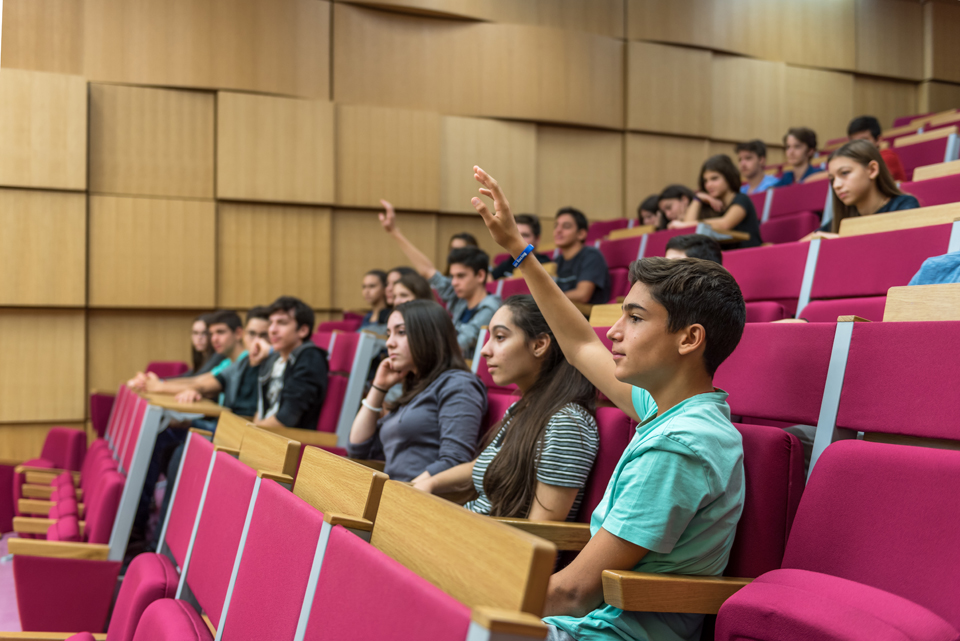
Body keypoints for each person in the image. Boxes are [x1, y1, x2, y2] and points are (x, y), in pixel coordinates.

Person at [472, 165, 745, 641]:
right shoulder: (666, 408)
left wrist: (453, 588)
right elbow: (580, 344)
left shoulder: (681, 445)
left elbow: (573, 594)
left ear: (689, 339)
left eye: (634, 318)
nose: (614, 332)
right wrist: (520, 250)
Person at [415, 295, 599, 520]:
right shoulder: (525, 407)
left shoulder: (566, 423)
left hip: (489, 539)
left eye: (500, 337)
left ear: (539, 345)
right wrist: (431, 482)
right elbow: (487, 463)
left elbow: (541, 530)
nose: (484, 350)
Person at [347, 300, 487, 482]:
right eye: (389, 334)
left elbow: (454, 462)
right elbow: (357, 448)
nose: (389, 343)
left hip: (420, 496)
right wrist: (379, 388)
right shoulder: (417, 387)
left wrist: (402, 492)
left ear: (428, 335)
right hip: (397, 491)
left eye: (401, 332)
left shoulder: (458, 384)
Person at [379, 199, 500, 354]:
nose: (454, 282)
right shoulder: (459, 298)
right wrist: (394, 232)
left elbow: (460, 344)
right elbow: (428, 271)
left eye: (461, 276)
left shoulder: (490, 307)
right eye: (453, 276)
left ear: (481, 275)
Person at [801, 139, 920, 241]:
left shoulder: (904, 205)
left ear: (872, 170)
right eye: (832, 179)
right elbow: (805, 243)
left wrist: (838, 241)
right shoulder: (842, 218)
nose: (836, 185)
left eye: (844, 173)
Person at [250, 296, 329, 430]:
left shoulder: (310, 358)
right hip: (265, 433)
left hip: (288, 438)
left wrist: (250, 433)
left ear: (303, 330)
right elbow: (261, 409)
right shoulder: (274, 358)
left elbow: (287, 418)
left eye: (282, 323)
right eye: (271, 323)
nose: (272, 330)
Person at [129, 310, 246, 395]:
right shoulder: (227, 362)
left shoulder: (245, 361)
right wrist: (157, 382)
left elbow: (201, 386)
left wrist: (158, 386)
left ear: (238, 333)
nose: (214, 339)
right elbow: (195, 380)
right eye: (211, 334)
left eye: (220, 332)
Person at [669, 155, 763, 249]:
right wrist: (697, 198)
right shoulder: (713, 206)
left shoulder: (742, 199)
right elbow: (688, 231)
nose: (708, 185)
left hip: (751, 254)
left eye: (714, 178)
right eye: (705, 181)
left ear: (728, 177)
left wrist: (684, 225)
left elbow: (725, 224)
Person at [553, 207, 611, 305]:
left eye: (566, 226)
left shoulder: (592, 256)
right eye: (556, 226)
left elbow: (582, 295)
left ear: (581, 234)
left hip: (584, 312)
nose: (558, 230)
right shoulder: (557, 260)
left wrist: (550, 297)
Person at [490, 214, 553, 280]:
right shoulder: (508, 263)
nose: (519, 240)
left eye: (525, 235)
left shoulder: (545, 264)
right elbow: (489, 279)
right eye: (516, 235)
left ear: (537, 239)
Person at [847, 115, 907, 182]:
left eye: (864, 141)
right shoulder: (856, 160)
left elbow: (867, 182)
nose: (858, 146)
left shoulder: (887, 157)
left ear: (878, 140)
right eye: (854, 142)